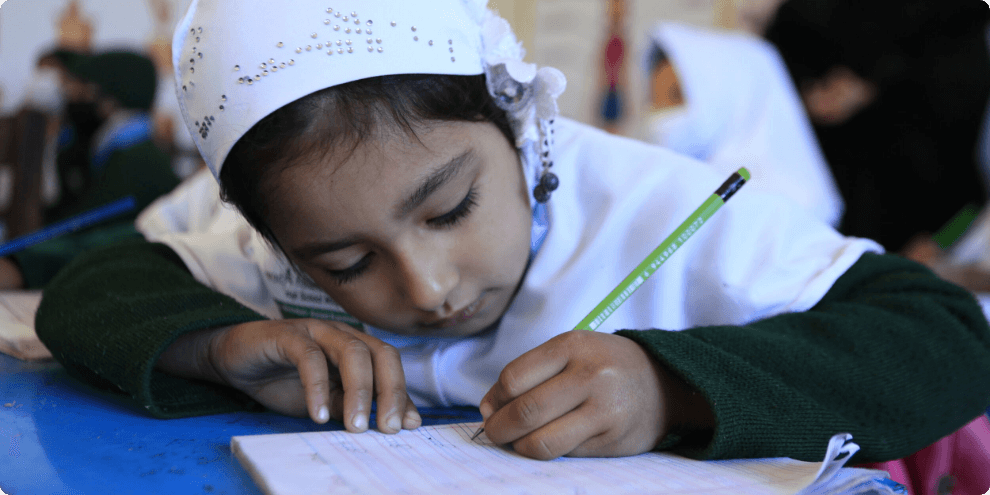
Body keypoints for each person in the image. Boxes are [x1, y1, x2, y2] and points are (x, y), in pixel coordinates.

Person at [35, 0, 990, 464]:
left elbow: (947, 336)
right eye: (346, 262)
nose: (426, 286)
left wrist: (671, 385)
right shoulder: (271, 253)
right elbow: (91, 284)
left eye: (450, 209)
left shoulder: (650, 206)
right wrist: (223, 342)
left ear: (520, 125)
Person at [764, 0, 990, 253]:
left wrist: (940, 243)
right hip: (808, 207)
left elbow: (972, 196)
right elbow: (776, 60)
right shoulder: (808, 17)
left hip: (909, 229)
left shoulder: (961, 27)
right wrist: (805, 94)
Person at [639, 22, 843, 227]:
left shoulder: (790, 211)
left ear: (732, 95)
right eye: (655, 100)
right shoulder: (681, 189)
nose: (661, 116)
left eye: (677, 97)